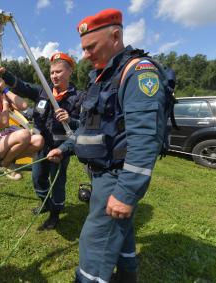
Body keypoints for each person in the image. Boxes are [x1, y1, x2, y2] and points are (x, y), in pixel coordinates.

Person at [47, 9, 176, 283]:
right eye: (83, 48)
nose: (85, 55)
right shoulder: (103, 76)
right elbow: (89, 128)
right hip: (102, 174)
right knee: (121, 234)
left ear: (115, 36)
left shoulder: (138, 71)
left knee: (94, 245)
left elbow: (145, 138)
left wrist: (127, 192)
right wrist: (65, 149)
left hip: (116, 178)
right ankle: (128, 277)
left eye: (90, 47)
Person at [0, 52, 84, 230]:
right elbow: (23, 88)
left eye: (59, 72)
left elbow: (83, 126)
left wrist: (70, 119)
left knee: (57, 182)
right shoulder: (43, 91)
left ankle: (55, 214)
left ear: (70, 71)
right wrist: (4, 73)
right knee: (38, 178)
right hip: (40, 145)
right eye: (52, 72)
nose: (54, 76)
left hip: (60, 148)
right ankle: (46, 204)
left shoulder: (78, 97)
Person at [0, 71, 44, 180]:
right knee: (24, 134)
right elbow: (3, 122)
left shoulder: (0, 97)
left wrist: (5, 90)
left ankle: (6, 162)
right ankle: (6, 164)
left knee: (39, 140)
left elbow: (24, 105)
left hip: (6, 140)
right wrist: (6, 104)